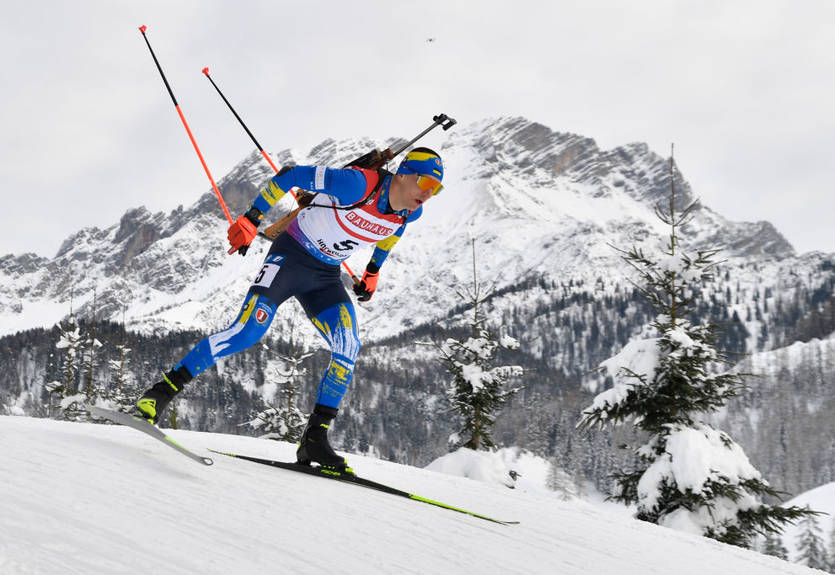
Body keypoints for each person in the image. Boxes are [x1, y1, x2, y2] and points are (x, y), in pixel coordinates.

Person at [135, 147, 444, 473]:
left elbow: (392, 233)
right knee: (246, 332)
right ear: (403, 173)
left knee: (348, 346)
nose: (428, 192)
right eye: (424, 181)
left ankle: (314, 438)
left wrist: (373, 270)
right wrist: (252, 219)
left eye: (436, 188)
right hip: (291, 259)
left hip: (325, 277)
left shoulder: (411, 211)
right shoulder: (358, 184)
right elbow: (291, 175)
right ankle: (160, 393)